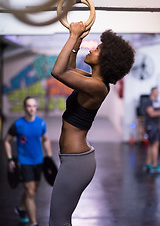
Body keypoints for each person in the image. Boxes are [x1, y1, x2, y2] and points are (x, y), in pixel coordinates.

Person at [49, 21, 135, 226]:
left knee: (58, 221)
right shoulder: (92, 81)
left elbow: (58, 72)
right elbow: (68, 68)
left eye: (97, 49)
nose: (92, 49)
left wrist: (72, 36)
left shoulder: (97, 87)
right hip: (74, 159)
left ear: (105, 61)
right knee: (59, 220)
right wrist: (77, 42)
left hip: (76, 162)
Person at [4, 96, 52, 226]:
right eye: (29, 106)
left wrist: (49, 156)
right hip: (24, 161)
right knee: (30, 192)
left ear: (36, 107)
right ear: (25, 108)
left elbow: (45, 139)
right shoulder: (18, 124)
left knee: (32, 190)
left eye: (34, 106)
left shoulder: (41, 123)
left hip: (39, 161)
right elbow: (6, 141)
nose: (31, 109)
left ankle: (20, 208)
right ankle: (33, 222)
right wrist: (9, 159)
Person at [143, 87, 160, 173]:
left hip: (154, 126)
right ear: (153, 92)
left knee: (151, 144)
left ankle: (148, 163)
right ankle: (154, 165)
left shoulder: (154, 102)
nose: (158, 93)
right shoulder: (148, 101)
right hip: (151, 126)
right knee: (155, 145)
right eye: (157, 91)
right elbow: (152, 113)